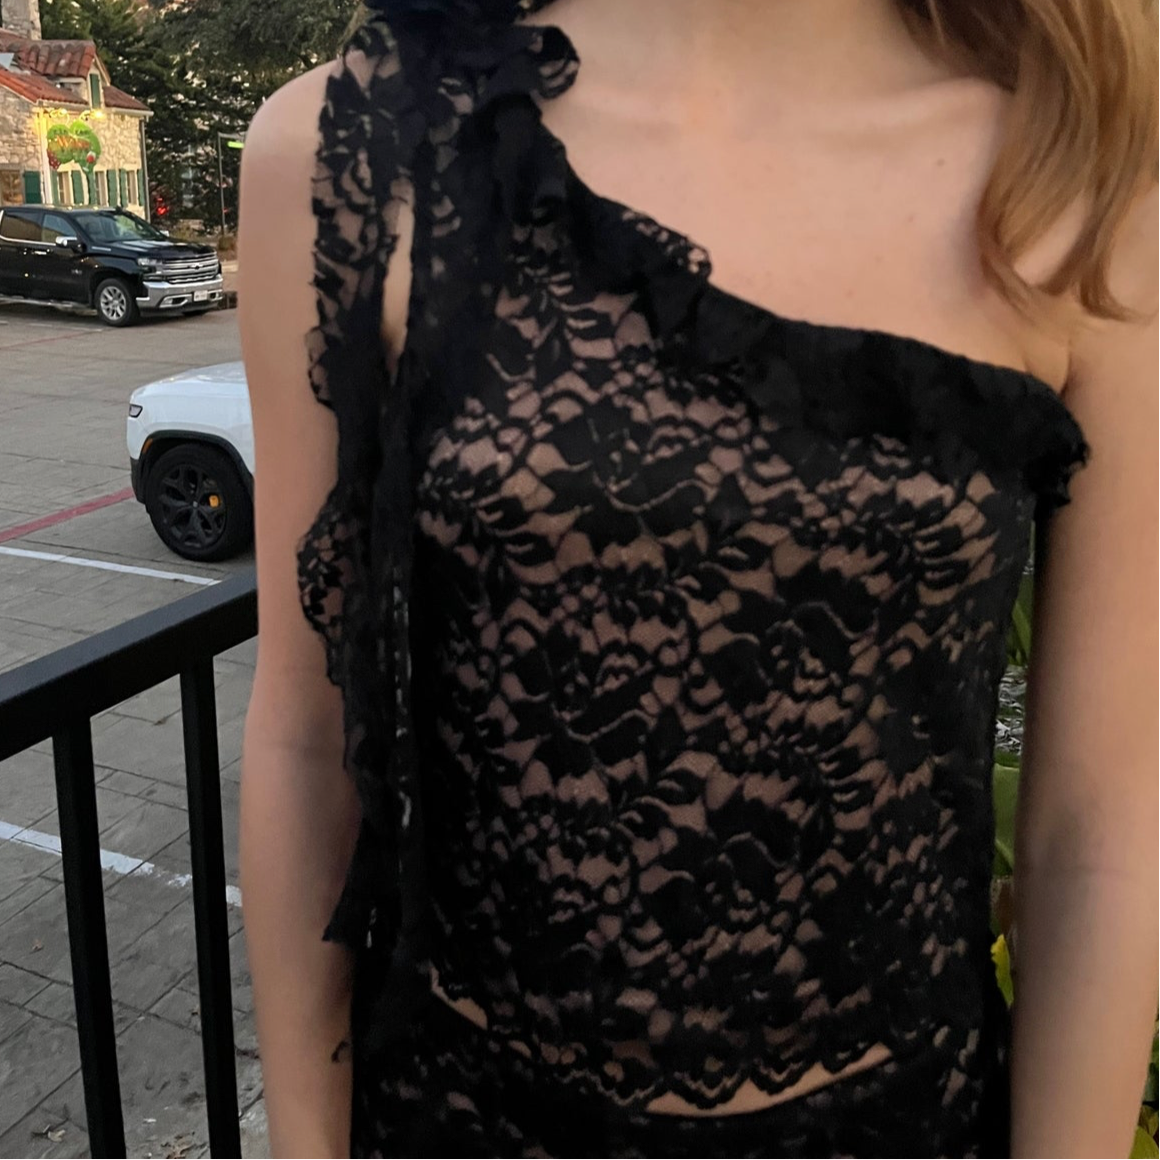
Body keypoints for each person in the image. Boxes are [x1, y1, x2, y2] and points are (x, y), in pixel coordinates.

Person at [236, 1, 1159, 1157]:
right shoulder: (353, 145)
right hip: (460, 1115)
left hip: (902, 1123)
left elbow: (1098, 818)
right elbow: (304, 732)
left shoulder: (1084, 185)